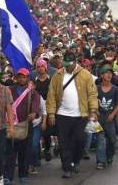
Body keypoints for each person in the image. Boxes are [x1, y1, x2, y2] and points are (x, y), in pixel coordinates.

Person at [46, 51, 98, 179]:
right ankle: (67, 167)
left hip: (81, 115)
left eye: (69, 64)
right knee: (64, 142)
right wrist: (51, 113)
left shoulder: (85, 75)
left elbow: (92, 94)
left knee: (79, 140)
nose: (67, 67)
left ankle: (76, 160)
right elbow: (51, 94)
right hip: (62, 114)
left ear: (75, 62)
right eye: (65, 64)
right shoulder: (58, 75)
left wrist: (93, 111)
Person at [4, 68, 41, 184]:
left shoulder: (33, 92)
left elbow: (36, 104)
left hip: (26, 125)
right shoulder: (9, 90)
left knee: (24, 152)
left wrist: (34, 113)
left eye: (24, 76)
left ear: (27, 78)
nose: (21, 78)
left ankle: (23, 175)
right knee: (10, 152)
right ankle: (7, 176)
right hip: (11, 124)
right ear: (16, 77)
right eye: (19, 76)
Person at [95, 66, 118, 170]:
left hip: (110, 120)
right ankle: (100, 161)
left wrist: (113, 114)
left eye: (110, 73)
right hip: (99, 119)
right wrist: (95, 111)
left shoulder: (115, 89)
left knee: (111, 140)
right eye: (106, 73)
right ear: (101, 75)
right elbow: (92, 100)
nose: (109, 75)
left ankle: (110, 156)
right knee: (100, 140)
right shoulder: (96, 88)